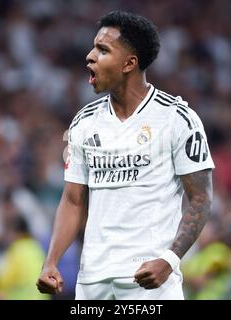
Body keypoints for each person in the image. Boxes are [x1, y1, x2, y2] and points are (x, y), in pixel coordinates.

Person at [36, 11, 215, 300]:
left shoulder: (177, 119)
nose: (90, 56)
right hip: (93, 281)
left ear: (129, 64)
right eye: (94, 47)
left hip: (150, 282)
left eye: (103, 50)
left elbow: (201, 198)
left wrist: (169, 261)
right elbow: (72, 200)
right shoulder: (84, 123)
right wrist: (51, 261)